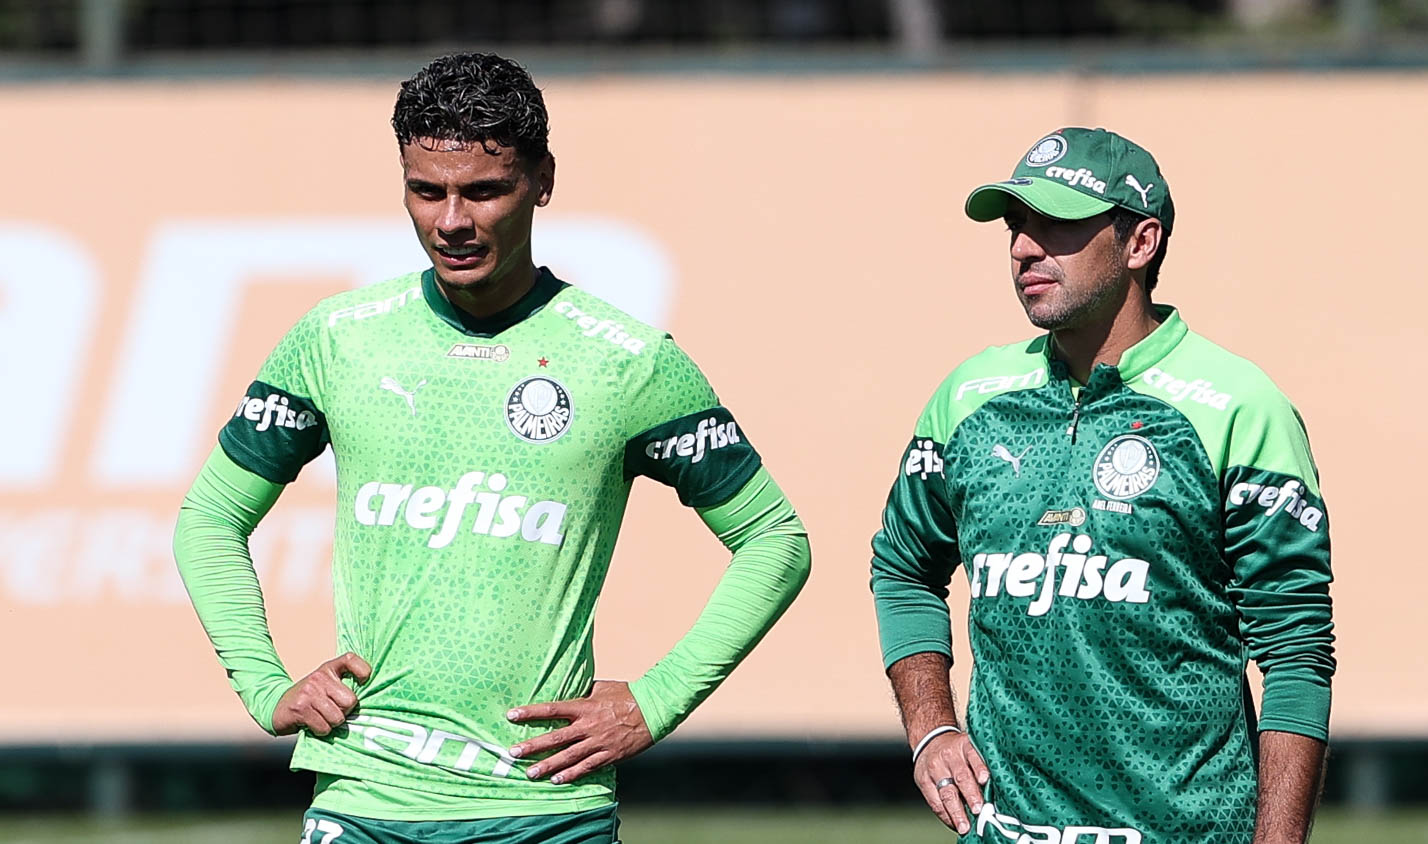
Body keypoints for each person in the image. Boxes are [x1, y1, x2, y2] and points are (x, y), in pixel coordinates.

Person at [174, 52, 810, 844]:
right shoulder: (338, 340)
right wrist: (264, 684)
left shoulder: (630, 361)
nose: (451, 221)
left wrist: (656, 700)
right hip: (367, 798)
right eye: (425, 190)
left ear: (542, 180)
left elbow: (774, 541)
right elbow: (208, 518)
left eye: (482, 191)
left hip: (546, 808)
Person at [869, 127, 1334, 844]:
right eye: (1018, 226)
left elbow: (1296, 649)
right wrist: (931, 727)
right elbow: (903, 567)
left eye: (1056, 224)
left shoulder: (1239, 408)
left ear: (1140, 243)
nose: (1025, 247)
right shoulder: (968, 397)